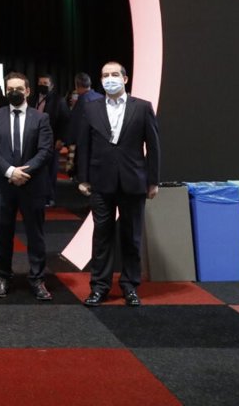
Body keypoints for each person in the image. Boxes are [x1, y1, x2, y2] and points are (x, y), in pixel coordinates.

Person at [75, 61, 160, 307]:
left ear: (125, 79)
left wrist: (153, 181)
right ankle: (99, 287)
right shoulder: (91, 108)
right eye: (105, 75)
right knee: (101, 236)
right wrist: (83, 178)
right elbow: (84, 145)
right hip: (100, 182)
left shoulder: (142, 107)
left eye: (114, 74)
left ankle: (130, 286)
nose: (109, 79)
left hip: (133, 181)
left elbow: (154, 146)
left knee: (131, 237)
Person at [0, 72, 54, 300]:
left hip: (32, 185)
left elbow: (46, 150)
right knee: (3, 235)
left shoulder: (41, 118)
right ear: (6, 92)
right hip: (3, 185)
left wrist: (24, 172)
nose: (14, 92)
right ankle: (4, 278)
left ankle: (37, 279)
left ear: (28, 91)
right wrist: (10, 171)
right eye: (10, 89)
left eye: (18, 89)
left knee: (36, 235)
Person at [32, 72, 70, 207]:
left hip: (51, 140)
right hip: (33, 140)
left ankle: (49, 197)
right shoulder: (32, 99)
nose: (42, 86)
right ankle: (36, 195)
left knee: (50, 171)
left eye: (45, 84)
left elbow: (65, 121)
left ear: (52, 86)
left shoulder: (59, 100)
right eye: (40, 83)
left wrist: (61, 139)